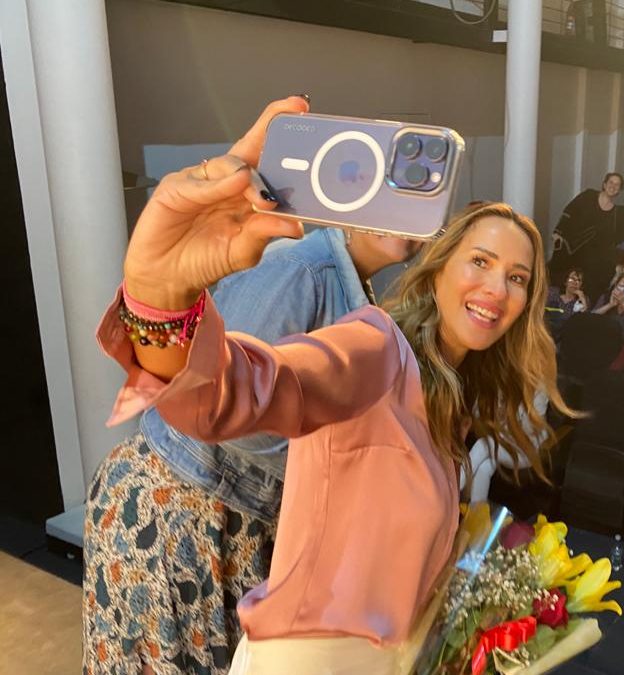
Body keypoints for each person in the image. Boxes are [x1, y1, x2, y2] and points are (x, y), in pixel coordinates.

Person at [96, 105, 571, 672]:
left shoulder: (448, 398)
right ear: (439, 266)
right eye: (480, 261)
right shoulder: (376, 347)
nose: (496, 287)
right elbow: (234, 392)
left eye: (517, 278)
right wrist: (161, 291)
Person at [82, 96, 426, 674]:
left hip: (233, 520)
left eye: (414, 199)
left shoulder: (355, 291)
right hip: (182, 512)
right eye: (384, 190)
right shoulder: (303, 267)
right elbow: (221, 402)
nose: (400, 216)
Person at [551, 172, 623, 280]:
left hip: (588, 255)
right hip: (568, 244)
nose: (613, 186)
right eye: (611, 182)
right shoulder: (588, 195)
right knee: (557, 277)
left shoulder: (615, 213)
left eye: (617, 184)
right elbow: (569, 211)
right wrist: (557, 233)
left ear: (619, 190)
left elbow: (608, 240)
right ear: (604, 184)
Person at [545, 267, 589, 341]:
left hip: (563, 339)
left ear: (581, 285)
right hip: (544, 330)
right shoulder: (553, 292)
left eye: (579, 280)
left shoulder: (581, 301)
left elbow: (584, 320)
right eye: (572, 279)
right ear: (565, 281)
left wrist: (581, 297)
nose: (575, 283)